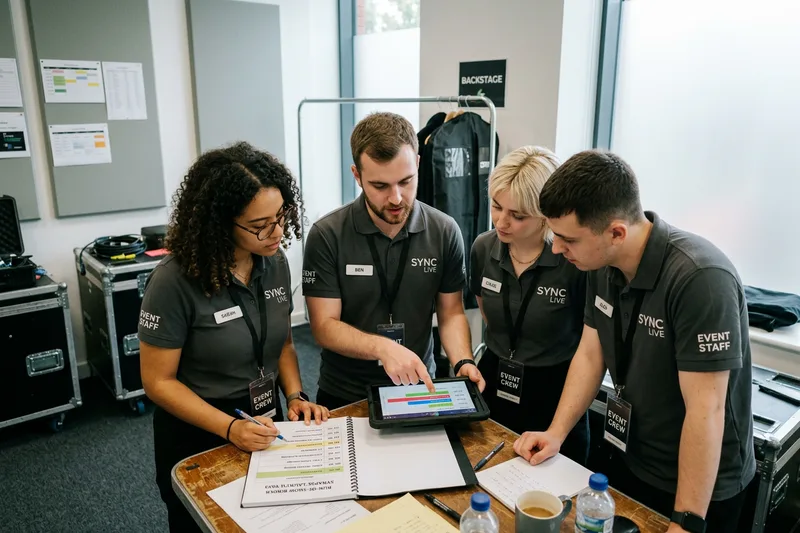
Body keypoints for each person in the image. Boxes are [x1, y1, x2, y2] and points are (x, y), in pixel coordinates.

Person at [513, 150, 756, 533]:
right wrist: (556, 432)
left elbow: (706, 411)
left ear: (616, 232)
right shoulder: (598, 263)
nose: (557, 249)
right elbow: (591, 354)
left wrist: (687, 521)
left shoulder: (701, 279)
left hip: (698, 489)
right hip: (630, 458)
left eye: (567, 239)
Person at [138, 142, 329, 532]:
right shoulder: (173, 281)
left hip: (264, 420)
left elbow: (284, 345)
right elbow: (157, 382)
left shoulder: (273, 263)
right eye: (260, 225)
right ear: (220, 223)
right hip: (198, 427)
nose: (277, 232)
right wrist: (228, 428)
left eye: (281, 216)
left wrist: (295, 396)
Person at [302, 111, 485, 410]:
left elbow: (451, 313)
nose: (396, 198)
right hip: (347, 393)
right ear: (357, 175)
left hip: (419, 387)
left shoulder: (444, 230)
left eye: (406, 181)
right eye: (380, 186)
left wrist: (462, 361)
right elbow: (324, 325)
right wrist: (383, 347)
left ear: (418, 164)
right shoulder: (327, 234)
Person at [469, 146, 589, 465]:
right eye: (496, 206)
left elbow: (591, 345)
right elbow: (488, 312)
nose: (501, 221)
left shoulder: (574, 261)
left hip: (555, 391)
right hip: (495, 377)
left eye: (518, 215)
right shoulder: (483, 248)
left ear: (546, 215)